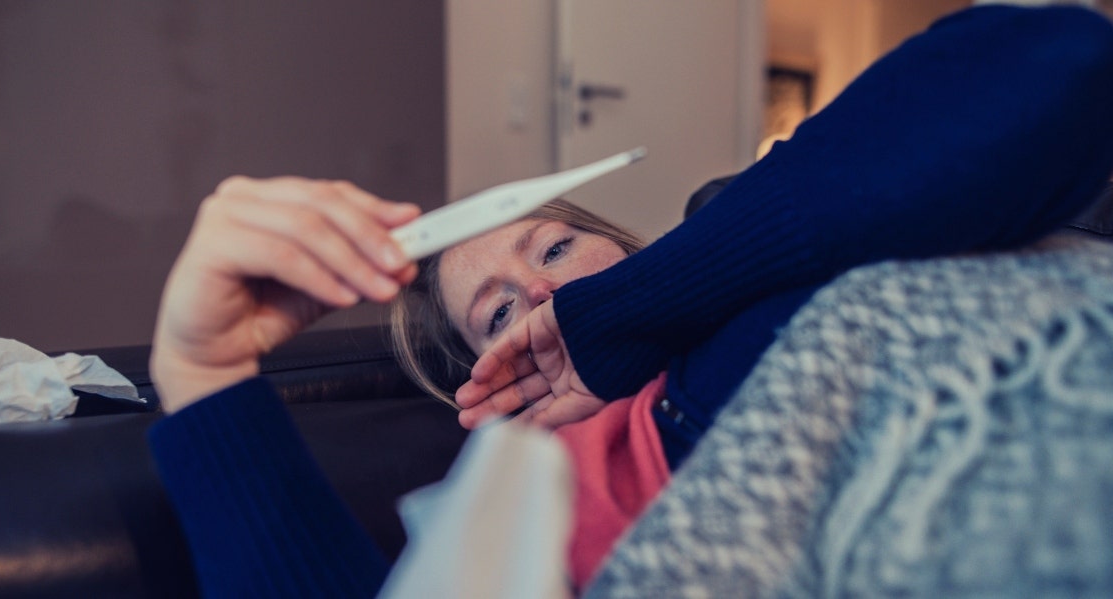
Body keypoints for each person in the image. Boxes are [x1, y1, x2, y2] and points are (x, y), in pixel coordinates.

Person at [147, 4, 1113, 597]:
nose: (545, 288)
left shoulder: (748, 229)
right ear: (490, 392)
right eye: (499, 313)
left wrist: (620, 316)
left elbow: (1058, 62)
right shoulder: (533, 505)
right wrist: (204, 372)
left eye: (558, 245)